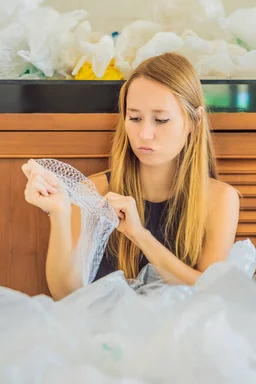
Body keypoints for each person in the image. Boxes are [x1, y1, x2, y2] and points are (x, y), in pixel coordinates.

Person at [23, 52, 240, 300]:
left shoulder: (220, 199)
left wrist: (138, 235)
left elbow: (211, 294)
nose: (144, 134)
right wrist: (60, 214)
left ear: (194, 121)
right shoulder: (94, 190)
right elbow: (65, 294)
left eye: (161, 120)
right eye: (134, 118)